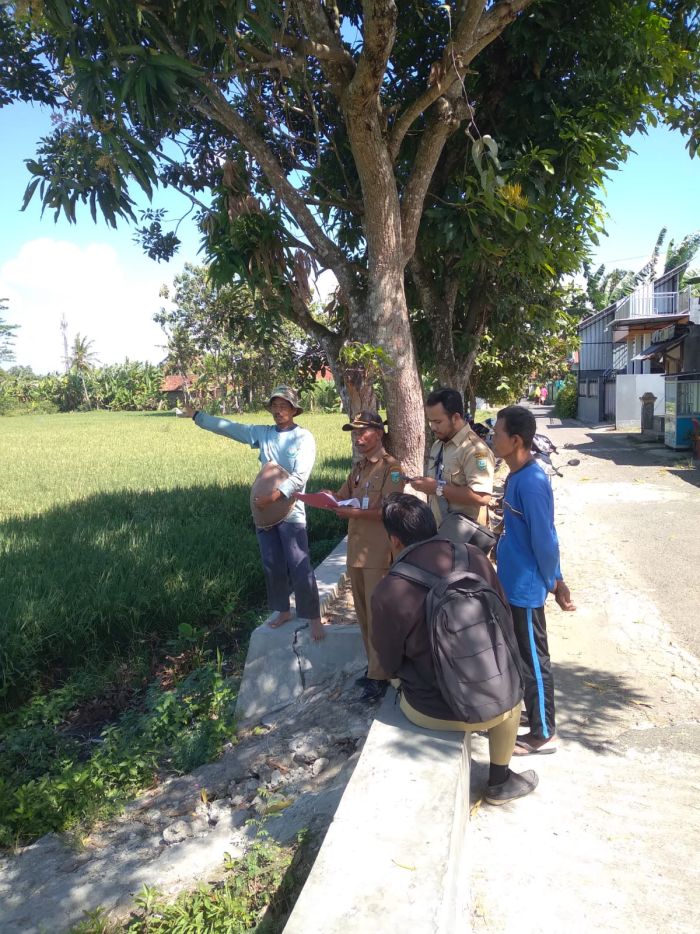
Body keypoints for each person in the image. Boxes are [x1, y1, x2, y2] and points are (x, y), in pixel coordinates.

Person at [371, 493, 538, 806]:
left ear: (394, 540)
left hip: (432, 710)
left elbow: (388, 660)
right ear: (433, 526)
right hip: (499, 704)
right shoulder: (474, 557)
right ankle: (500, 779)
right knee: (510, 693)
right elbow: (502, 615)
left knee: (396, 678)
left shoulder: (389, 589)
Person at [180, 387, 326, 641]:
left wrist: (274, 496)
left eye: (284, 406)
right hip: (264, 512)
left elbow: (301, 476)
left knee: (299, 565)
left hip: (290, 512)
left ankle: (313, 617)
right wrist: (198, 416)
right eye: (275, 406)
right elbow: (230, 427)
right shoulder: (262, 433)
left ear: (293, 410)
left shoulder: (303, 437)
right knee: (272, 564)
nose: (279, 411)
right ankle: (282, 610)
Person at [492, 405, 576, 754]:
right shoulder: (515, 475)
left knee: (534, 661)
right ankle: (535, 714)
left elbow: (546, 540)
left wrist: (556, 583)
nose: (492, 439)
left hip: (526, 588)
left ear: (516, 440)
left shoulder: (533, 481)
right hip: (512, 582)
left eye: (497, 434)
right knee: (522, 658)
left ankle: (543, 733)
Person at [326, 411, 405, 701]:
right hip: (357, 553)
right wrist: (327, 498)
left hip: (378, 553)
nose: (358, 438)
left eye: (364, 432)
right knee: (363, 616)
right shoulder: (359, 468)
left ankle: (382, 675)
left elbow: (388, 510)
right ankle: (374, 670)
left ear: (379, 433)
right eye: (354, 433)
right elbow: (342, 496)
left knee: (379, 616)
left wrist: (353, 512)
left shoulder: (391, 469)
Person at [411, 387, 495, 539]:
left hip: (465, 542)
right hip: (440, 534)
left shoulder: (474, 449)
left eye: (438, 422)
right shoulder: (439, 445)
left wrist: (437, 488)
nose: (433, 428)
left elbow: (482, 496)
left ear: (456, 417)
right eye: (430, 422)